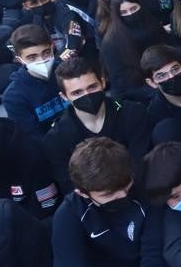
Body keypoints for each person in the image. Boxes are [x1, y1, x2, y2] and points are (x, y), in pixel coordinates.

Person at [53, 137, 168, 267]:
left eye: (125, 185)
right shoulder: (68, 215)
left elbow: (154, 261)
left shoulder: (146, 190)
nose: (122, 195)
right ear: (83, 193)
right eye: (109, 194)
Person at [43, 58, 151, 193]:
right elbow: (70, 186)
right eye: (77, 93)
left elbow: (140, 164)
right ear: (64, 97)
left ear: (103, 82)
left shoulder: (132, 113)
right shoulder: (56, 139)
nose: (87, 95)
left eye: (92, 87)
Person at [1, 24, 71, 137]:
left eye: (46, 52)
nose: (42, 60)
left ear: (53, 47)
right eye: (32, 57)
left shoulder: (68, 72)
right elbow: (31, 137)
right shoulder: (14, 96)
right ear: (20, 60)